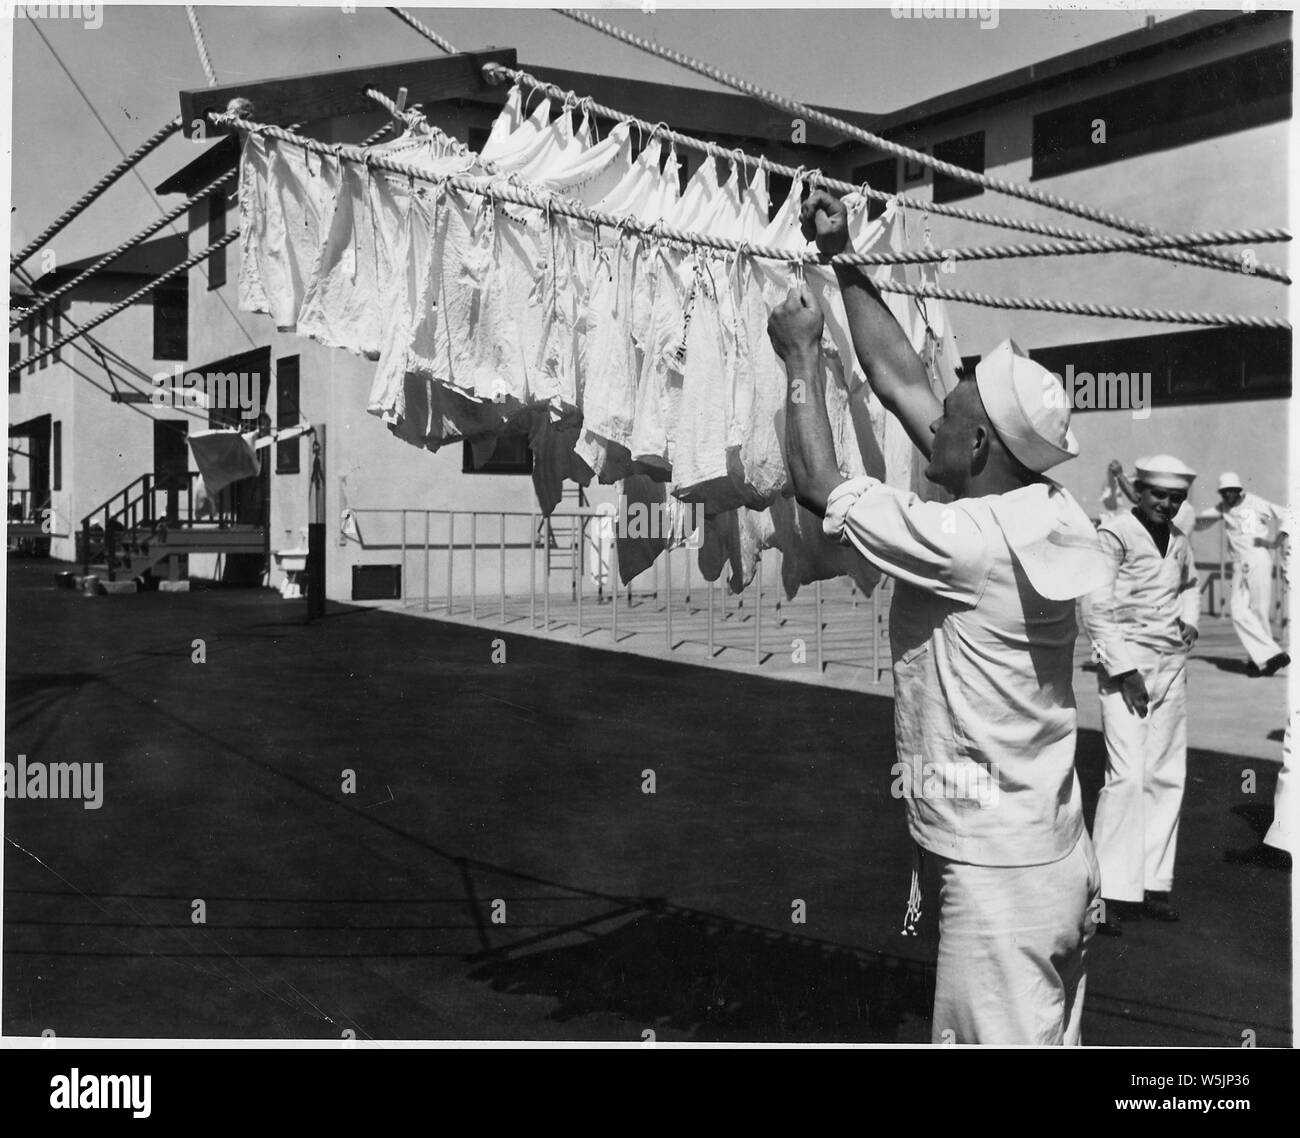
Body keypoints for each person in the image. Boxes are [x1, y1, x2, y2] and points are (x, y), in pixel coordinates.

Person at [768, 190, 1113, 1046]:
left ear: (979, 448)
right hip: (1055, 856)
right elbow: (897, 378)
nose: (938, 405)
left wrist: (802, 359)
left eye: (954, 412)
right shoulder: (1045, 506)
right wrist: (844, 256)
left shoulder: (964, 543)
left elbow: (820, 488)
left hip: (1000, 882)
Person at [1082, 456, 1200, 934]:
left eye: (1176, 498)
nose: (1167, 505)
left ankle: (1153, 882)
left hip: (1172, 667)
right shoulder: (1114, 533)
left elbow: (1190, 584)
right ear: (1139, 489)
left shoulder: (1179, 539)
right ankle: (1108, 891)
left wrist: (1190, 619)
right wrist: (1124, 669)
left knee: (1166, 774)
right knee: (1126, 776)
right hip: (1126, 669)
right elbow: (1095, 604)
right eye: (1158, 495)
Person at [1198, 473, 1290, 676]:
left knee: (1258, 611)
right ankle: (1271, 656)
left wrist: (1275, 542)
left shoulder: (1256, 502)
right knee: (1239, 611)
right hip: (1240, 564)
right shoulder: (1222, 508)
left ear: (1239, 490)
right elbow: (1199, 523)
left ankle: (1259, 661)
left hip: (1257, 559)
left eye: (1231, 491)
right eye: (1223, 492)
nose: (1227, 495)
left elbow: (1289, 515)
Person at [1103, 458, 1196, 532]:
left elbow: (1136, 496)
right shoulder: (1186, 509)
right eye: (1159, 495)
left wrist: (1119, 474)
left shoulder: (1185, 513)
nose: (1166, 504)